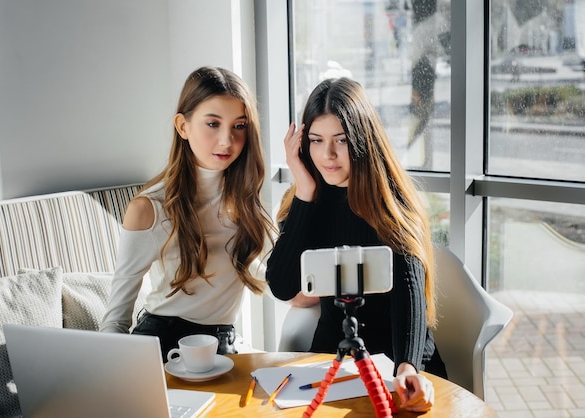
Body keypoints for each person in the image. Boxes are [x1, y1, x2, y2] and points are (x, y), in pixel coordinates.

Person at [266, 77, 446, 413]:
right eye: (316, 141)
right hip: (334, 362)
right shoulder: (307, 201)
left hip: (397, 363)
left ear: (363, 140)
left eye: (341, 140)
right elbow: (282, 286)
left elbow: (409, 292)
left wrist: (407, 364)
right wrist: (304, 191)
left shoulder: (391, 203)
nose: (327, 155)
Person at [100, 66, 275, 360]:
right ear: (183, 126)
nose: (226, 140)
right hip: (161, 346)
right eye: (212, 124)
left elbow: (278, 283)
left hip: (220, 347)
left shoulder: (247, 205)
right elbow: (116, 318)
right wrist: (116, 374)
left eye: (239, 126)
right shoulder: (150, 208)